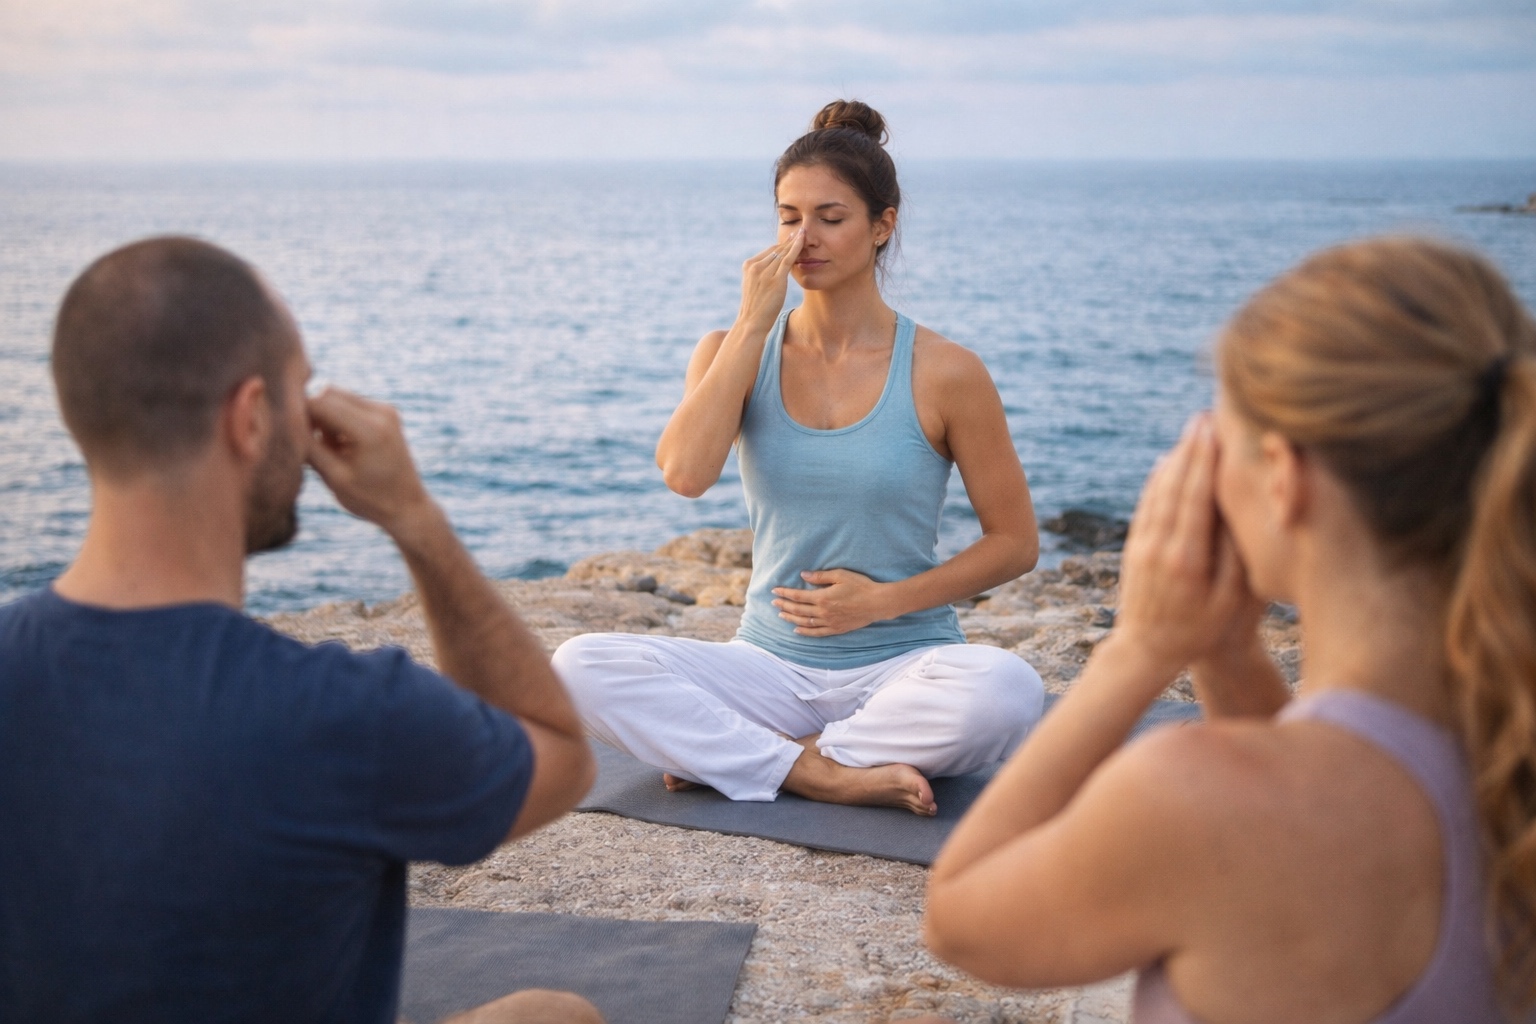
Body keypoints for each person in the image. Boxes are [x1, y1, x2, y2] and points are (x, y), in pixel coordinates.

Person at [923, 237, 1536, 1023]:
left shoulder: (1194, 798)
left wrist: (1139, 651)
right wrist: (1224, 649)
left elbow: (963, 919)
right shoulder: (1500, 754)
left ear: (1283, 480)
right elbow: (1324, 809)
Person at [0, 237, 603, 1024]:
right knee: (558, 1015)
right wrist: (415, 519)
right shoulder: (342, 714)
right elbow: (558, 752)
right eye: (299, 387)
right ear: (251, 418)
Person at [553, 100, 1045, 816]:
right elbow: (686, 476)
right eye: (788, 218)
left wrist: (880, 602)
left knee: (1007, 690)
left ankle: (754, 756)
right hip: (766, 666)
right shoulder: (734, 351)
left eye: (830, 218)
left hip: (904, 663)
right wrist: (753, 323)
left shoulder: (947, 371)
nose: (804, 238)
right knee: (578, 666)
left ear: (883, 225)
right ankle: (824, 770)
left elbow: (1016, 543)